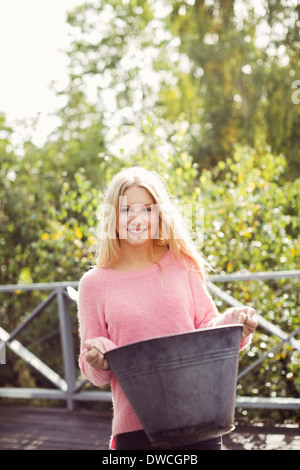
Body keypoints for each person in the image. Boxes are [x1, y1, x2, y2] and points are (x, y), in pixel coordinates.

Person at [77, 166, 258, 450]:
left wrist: (235, 322)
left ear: (159, 213)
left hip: (200, 422)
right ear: (112, 216)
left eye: (147, 209)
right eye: (126, 210)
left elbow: (206, 329)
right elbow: (92, 370)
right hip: (135, 433)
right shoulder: (94, 284)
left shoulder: (181, 263)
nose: (137, 218)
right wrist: (97, 354)